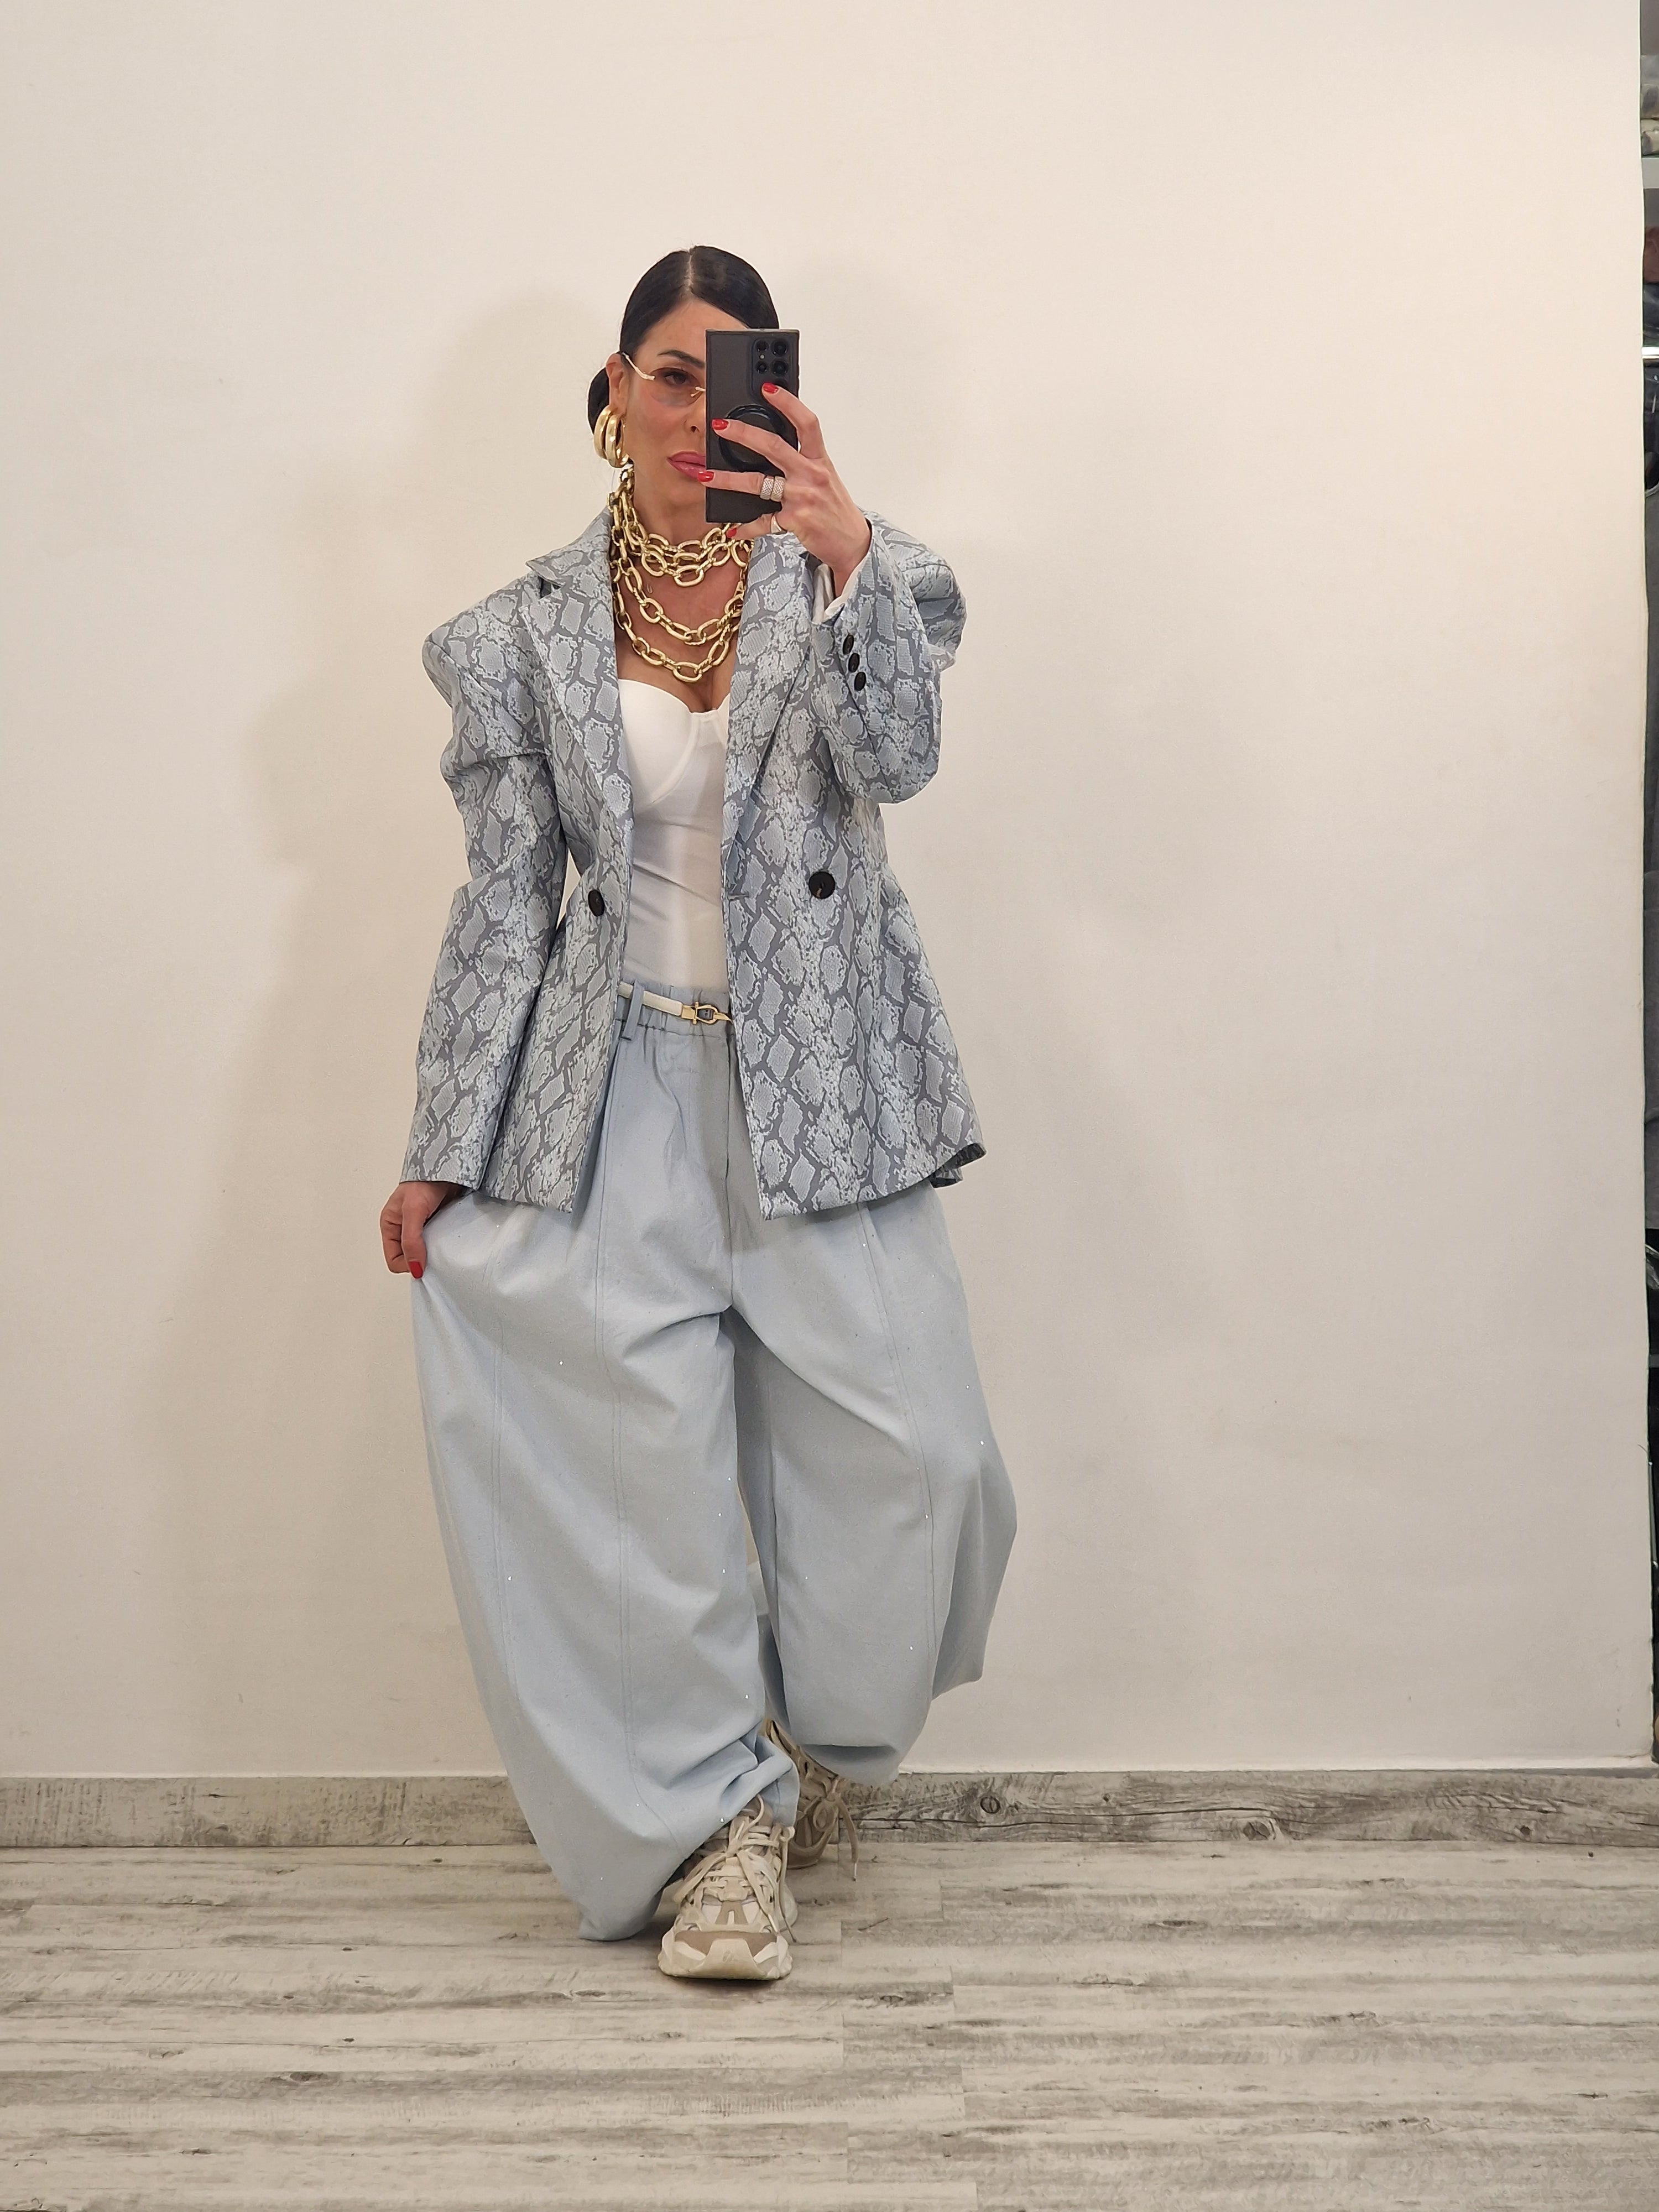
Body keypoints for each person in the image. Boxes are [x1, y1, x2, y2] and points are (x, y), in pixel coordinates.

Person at [379, 246, 1016, 1982]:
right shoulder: (517, 633)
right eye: (670, 374)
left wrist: (845, 551)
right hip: (612, 1100)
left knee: (925, 1460)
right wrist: (443, 1147)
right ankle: (716, 1829)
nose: (697, 411)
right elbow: (506, 908)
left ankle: (805, 1749)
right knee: (635, 1493)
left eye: (737, 380)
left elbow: (899, 765)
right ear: (615, 390)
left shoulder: (865, 577)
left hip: (824, 1092)